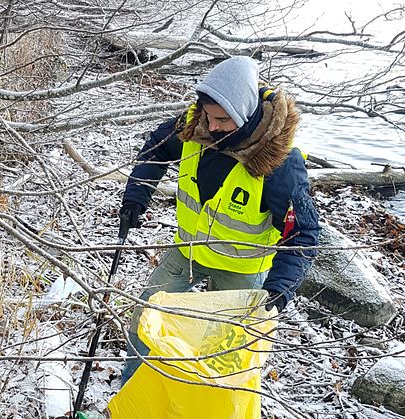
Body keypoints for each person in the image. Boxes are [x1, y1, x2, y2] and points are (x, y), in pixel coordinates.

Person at [118, 56, 321, 384]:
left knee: (225, 352)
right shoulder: (194, 123)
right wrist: (135, 197)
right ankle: (131, 393)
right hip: (188, 251)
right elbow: (155, 150)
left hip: (241, 270)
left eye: (222, 120)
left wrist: (279, 289)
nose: (211, 127)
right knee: (146, 317)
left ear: (244, 114)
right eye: (208, 116)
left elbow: (304, 233)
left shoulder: (280, 163)